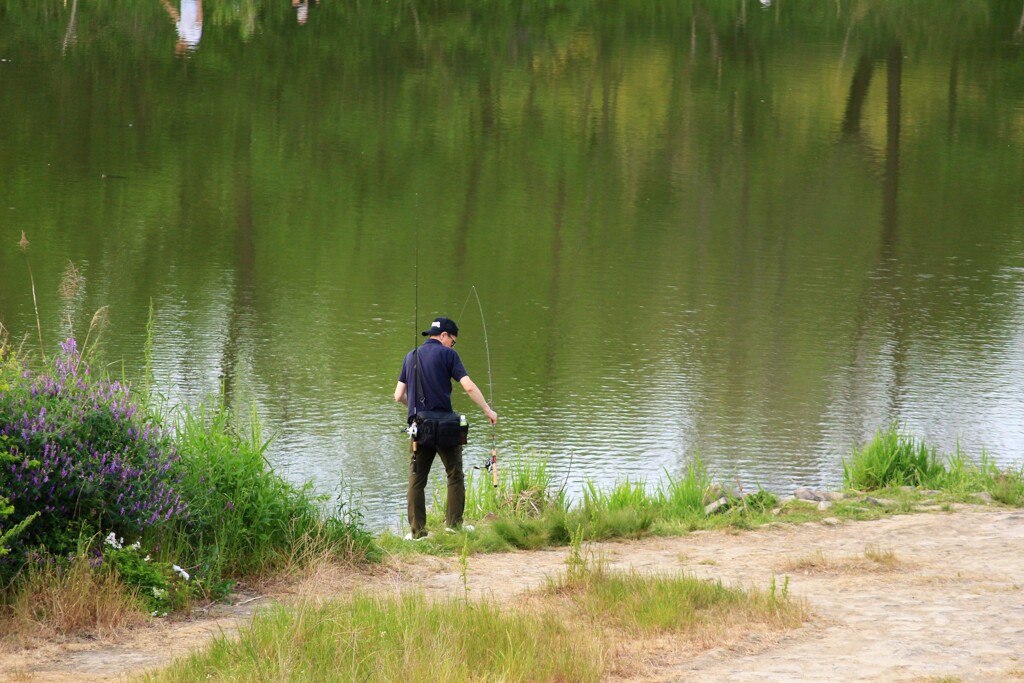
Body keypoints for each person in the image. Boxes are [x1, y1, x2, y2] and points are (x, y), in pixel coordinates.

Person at [395, 316, 497, 540]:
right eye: (453, 340)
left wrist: (416, 409)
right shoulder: (449, 354)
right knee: (454, 475)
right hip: (446, 428)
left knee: (417, 480)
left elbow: (398, 396)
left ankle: (418, 533)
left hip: (419, 427)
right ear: (444, 336)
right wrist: (488, 411)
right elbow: (468, 387)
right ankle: (454, 525)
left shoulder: (410, 356)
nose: (452, 344)